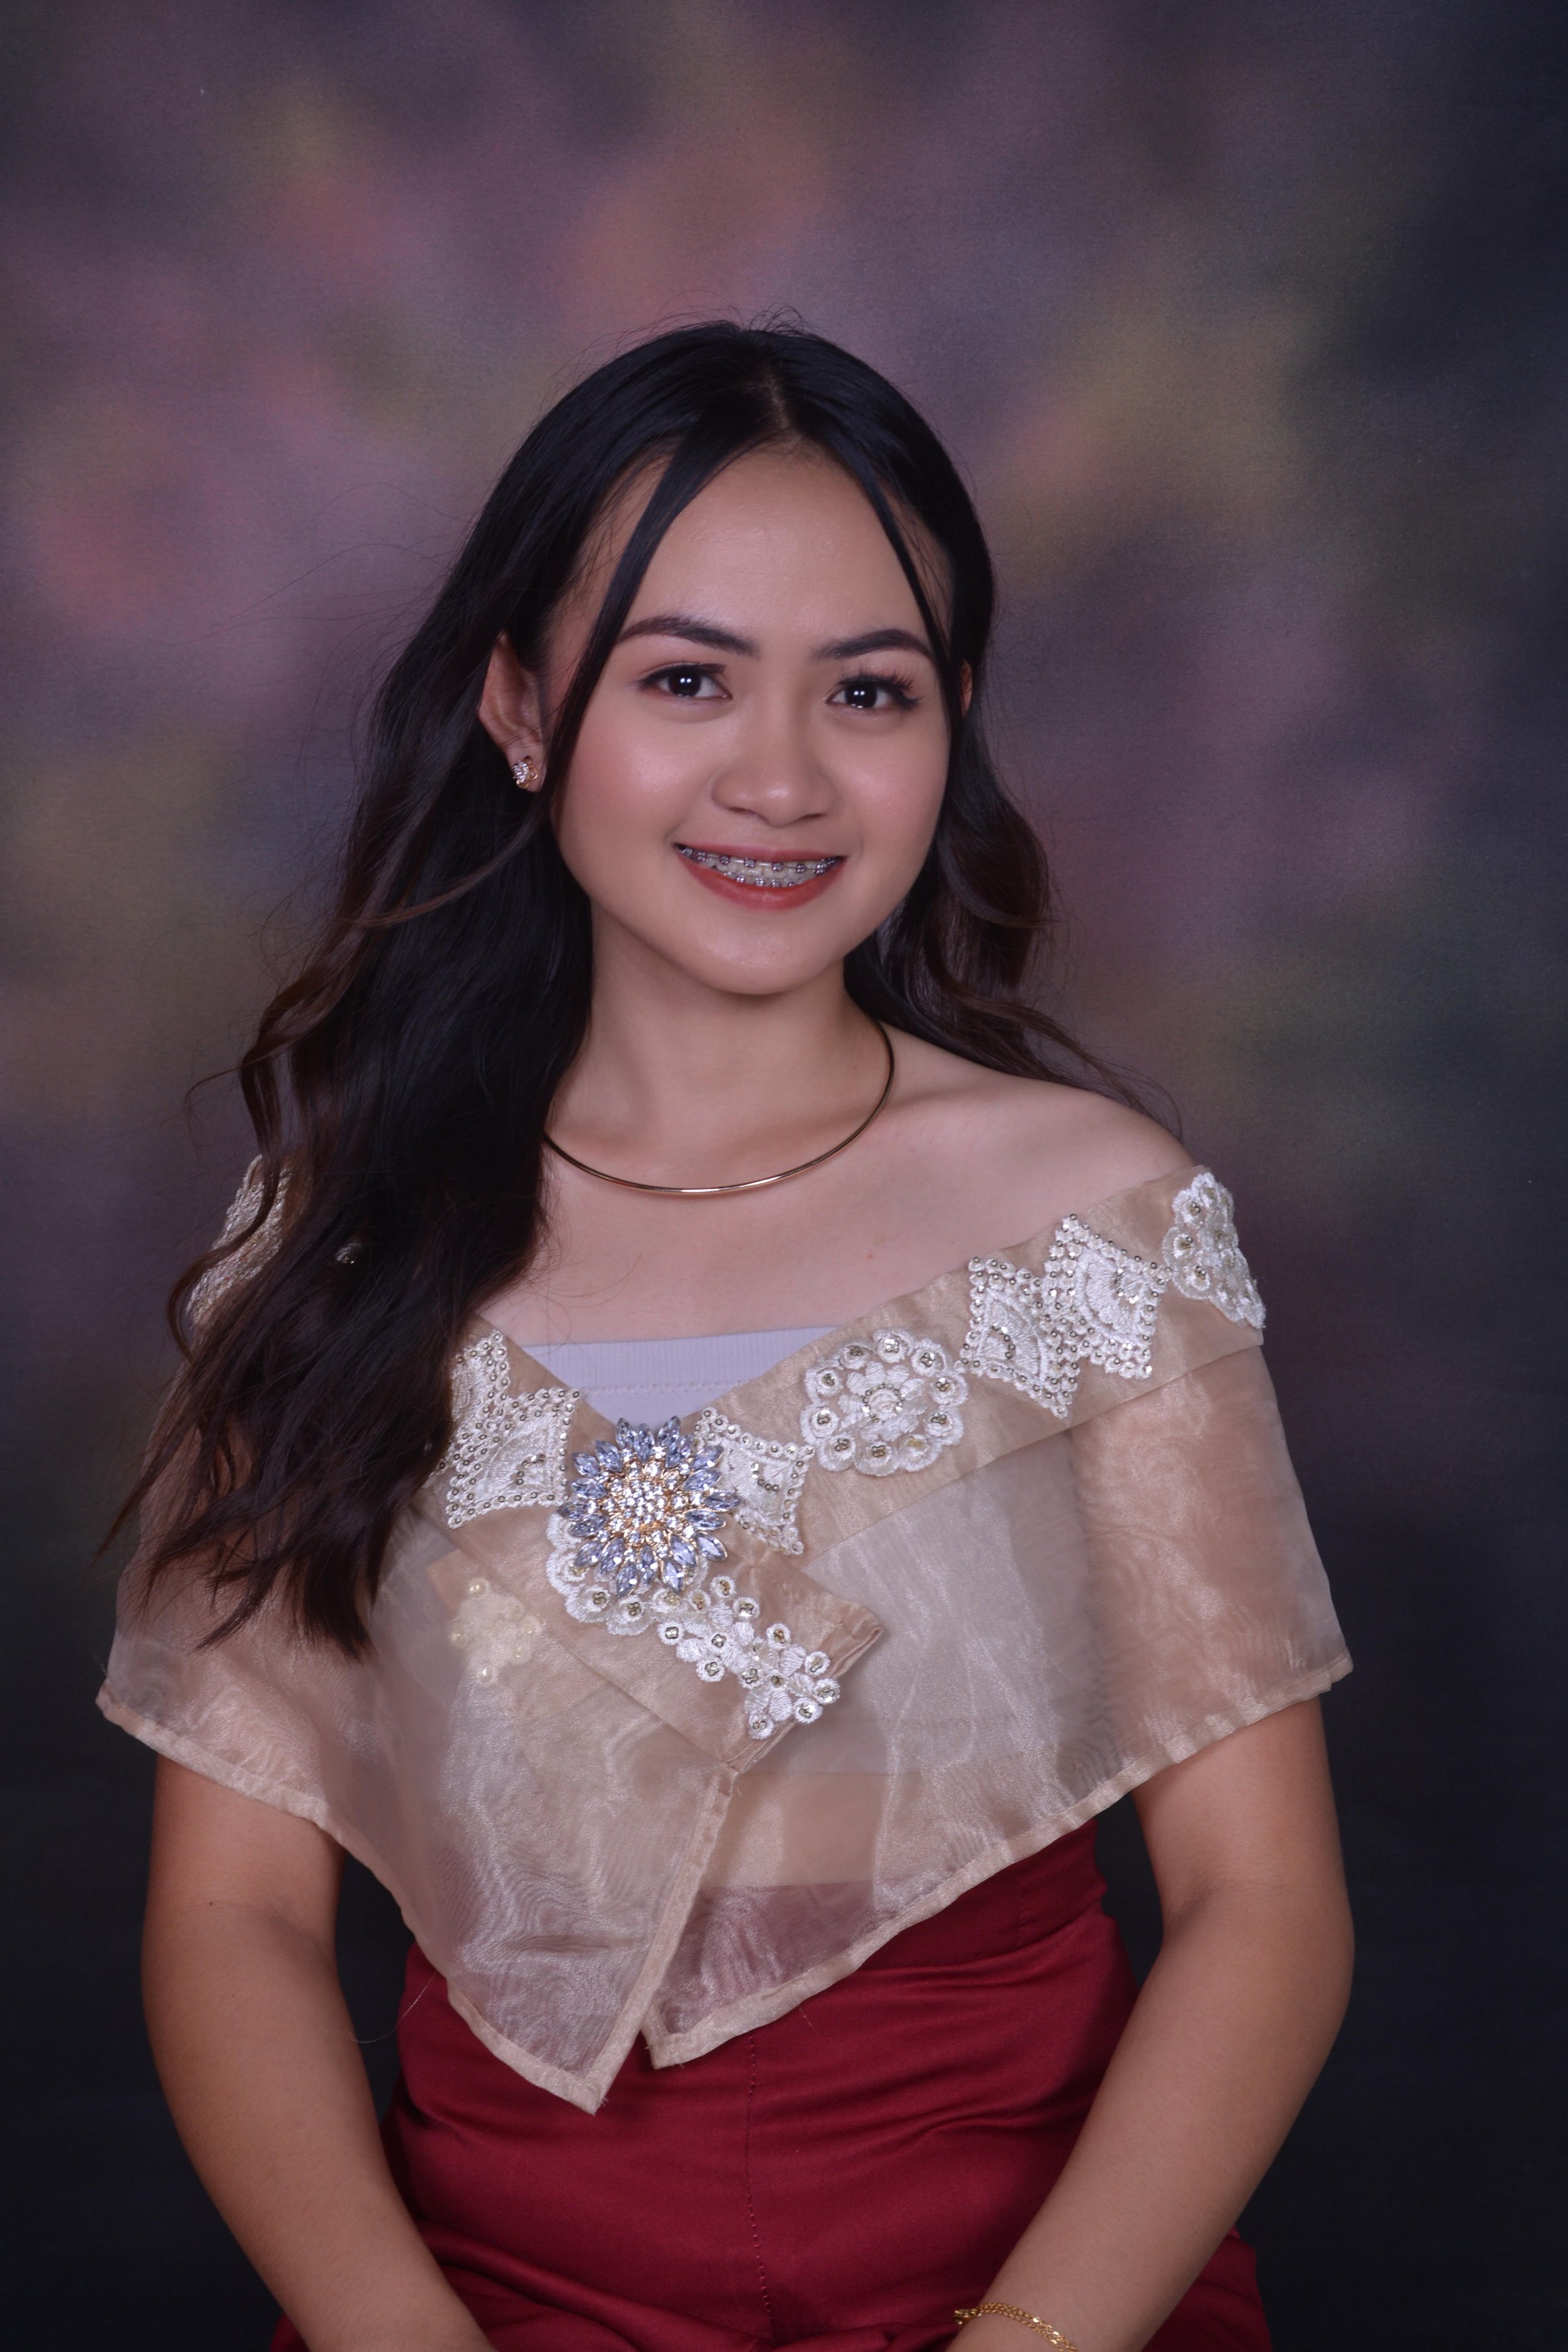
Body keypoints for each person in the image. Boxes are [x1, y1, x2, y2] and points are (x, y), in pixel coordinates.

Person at [100, 322, 1353, 2352]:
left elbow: (1263, 1907)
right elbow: (231, 1921)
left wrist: (1029, 2346)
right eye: (684, 680)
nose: (779, 778)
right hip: (476, 2300)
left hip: (1040, 2294)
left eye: (868, 691)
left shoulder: (1093, 1222)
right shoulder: (336, 1240)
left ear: (950, 727)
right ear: (520, 707)